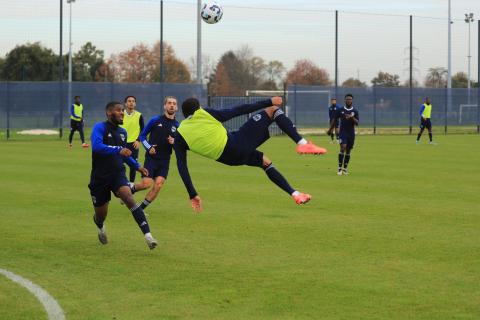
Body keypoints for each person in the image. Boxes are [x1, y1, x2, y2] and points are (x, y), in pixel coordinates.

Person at [174, 96, 327, 212]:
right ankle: (303, 144)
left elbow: (182, 166)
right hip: (236, 144)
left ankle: (295, 194)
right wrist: (268, 101)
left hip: (229, 159)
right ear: (198, 109)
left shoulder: (180, 135)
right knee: (273, 111)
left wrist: (192, 193)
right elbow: (239, 110)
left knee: (265, 162)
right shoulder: (204, 114)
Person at [88, 101, 157, 250]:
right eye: (119, 110)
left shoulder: (122, 133)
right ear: (109, 113)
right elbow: (97, 146)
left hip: (117, 174)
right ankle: (99, 225)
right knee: (101, 214)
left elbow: (124, 155)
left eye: (122, 111)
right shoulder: (99, 127)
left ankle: (148, 236)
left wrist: (138, 167)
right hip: (100, 178)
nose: (122, 113)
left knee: (128, 197)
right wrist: (119, 149)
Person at [132, 96, 179, 211]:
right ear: (165, 106)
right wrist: (148, 147)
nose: (172, 105)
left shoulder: (178, 126)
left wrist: (174, 142)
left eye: (174, 103)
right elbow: (142, 136)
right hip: (151, 159)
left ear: (176, 107)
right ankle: (129, 191)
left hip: (165, 160)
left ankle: (140, 209)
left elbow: (180, 145)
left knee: (158, 185)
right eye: (169, 103)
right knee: (146, 184)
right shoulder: (155, 120)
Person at [327, 94, 359, 176]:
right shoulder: (340, 110)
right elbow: (334, 120)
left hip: (351, 133)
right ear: (345, 100)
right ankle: (339, 168)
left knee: (348, 150)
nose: (349, 100)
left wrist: (351, 117)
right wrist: (330, 129)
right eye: (347, 99)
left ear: (352, 100)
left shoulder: (355, 111)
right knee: (343, 147)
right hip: (343, 132)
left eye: (350, 99)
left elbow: (357, 123)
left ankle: (345, 169)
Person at [120, 95, 145, 182]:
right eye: (129, 101)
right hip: (121, 144)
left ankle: (131, 184)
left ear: (135, 104)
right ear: (125, 103)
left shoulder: (139, 115)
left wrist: (138, 140)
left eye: (133, 101)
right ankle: (121, 183)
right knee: (119, 164)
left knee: (133, 165)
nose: (131, 103)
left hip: (134, 144)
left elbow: (143, 130)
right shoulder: (121, 114)